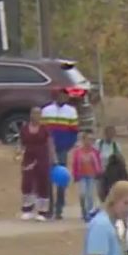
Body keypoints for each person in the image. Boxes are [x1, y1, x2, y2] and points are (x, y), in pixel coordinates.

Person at [42, 90, 79, 220]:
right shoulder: (46, 110)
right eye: (60, 95)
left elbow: (74, 132)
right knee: (48, 179)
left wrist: (67, 146)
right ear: (56, 96)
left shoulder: (71, 111)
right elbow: (43, 131)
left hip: (62, 149)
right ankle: (49, 208)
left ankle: (59, 208)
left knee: (61, 178)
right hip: (47, 150)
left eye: (65, 96)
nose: (63, 98)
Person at [19, 106, 53, 221]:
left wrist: (53, 158)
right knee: (27, 183)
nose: (36, 116)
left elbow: (50, 143)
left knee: (42, 183)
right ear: (30, 115)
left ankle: (42, 211)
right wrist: (18, 153)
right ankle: (27, 209)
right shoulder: (24, 129)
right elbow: (21, 143)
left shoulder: (45, 129)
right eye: (34, 113)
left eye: (38, 114)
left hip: (42, 158)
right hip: (28, 158)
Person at [70, 130, 103, 221]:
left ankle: (89, 213)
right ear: (83, 140)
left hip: (91, 176)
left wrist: (99, 173)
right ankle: (84, 211)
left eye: (92, 140)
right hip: (82, 176)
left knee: (90, 195)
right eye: (88, 139)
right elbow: (75, 164)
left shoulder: (95, 151)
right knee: (83, 194)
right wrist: (75, 175)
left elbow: (98, 163)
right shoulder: (78, 152)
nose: (90, 142)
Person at [97, 125, 125, 203]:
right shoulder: (99, 144)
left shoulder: (116, 146)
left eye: (112, 134)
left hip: (112, 175)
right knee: (101, 194)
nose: (110, 136)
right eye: (108, 134)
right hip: (101, 173)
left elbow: (121, 160)